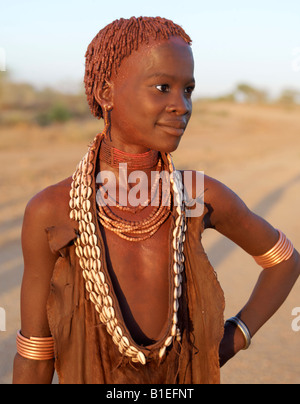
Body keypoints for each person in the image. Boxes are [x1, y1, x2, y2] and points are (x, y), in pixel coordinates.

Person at [13, 16, 300, 384]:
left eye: (188, 90)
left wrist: (233, 339)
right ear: (107, 94)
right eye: (162, 87)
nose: (182, 106)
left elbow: (285, 260)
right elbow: (36, 354)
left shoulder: (198, 195)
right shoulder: (52, 209)